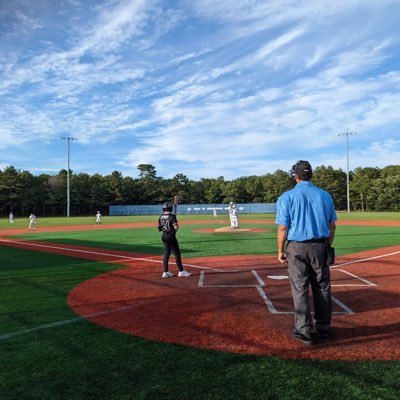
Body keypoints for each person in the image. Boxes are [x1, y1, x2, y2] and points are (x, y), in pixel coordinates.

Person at [275, 160, 337, 346]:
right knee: (322, 287)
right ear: (311, 175)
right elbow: (331, 225)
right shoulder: (325, 196)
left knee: (300, 289)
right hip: (320, 246)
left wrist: (280, 251)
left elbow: (283, 228)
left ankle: (304, 331)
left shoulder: (287, 197)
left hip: (297, 247)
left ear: (295, 176)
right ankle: (324, 328)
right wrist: (327, 244)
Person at [158, 201, 191, 278]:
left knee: (166, 254)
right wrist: (175, 227)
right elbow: (176, 227)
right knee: (176, 253)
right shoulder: (172, 216)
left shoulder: (160, 216)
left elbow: (159, 228)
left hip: (164, 236)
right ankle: (181, 271)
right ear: (171, 208)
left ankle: (165, 272)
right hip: (171, 236)